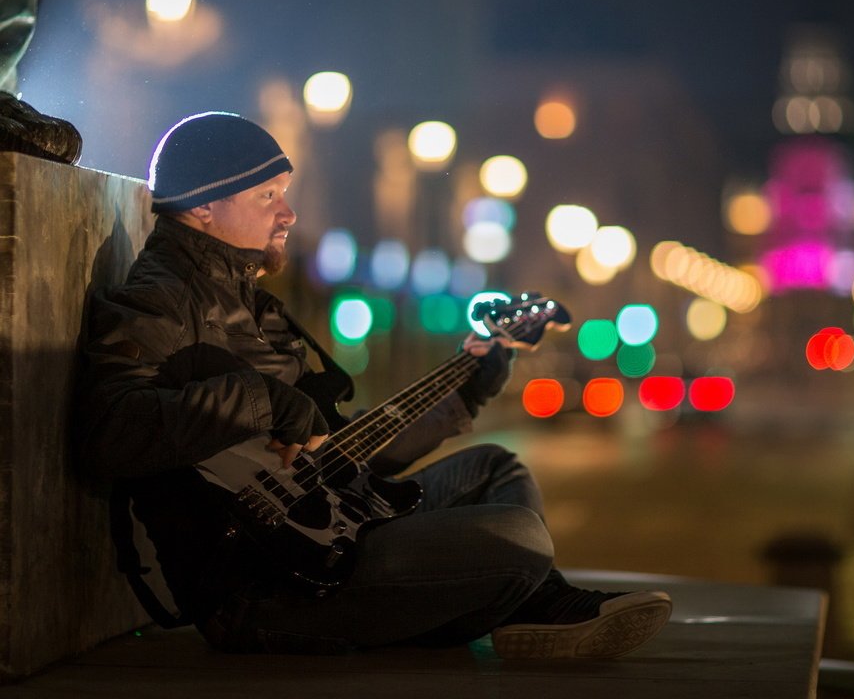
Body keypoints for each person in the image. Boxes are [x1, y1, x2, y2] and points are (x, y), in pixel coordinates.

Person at [75, 111, 672, 658]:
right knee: (515, 535)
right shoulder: (159, 298)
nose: (288, 214)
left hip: (328, 538)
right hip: (265, 587)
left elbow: (340, 457)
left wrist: (470, 386)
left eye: (284, 194)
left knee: (494, 470)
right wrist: (265, 401)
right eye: (267, 196)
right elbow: (111, 432)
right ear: (202, 207)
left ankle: (534, 606)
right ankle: (538, 606)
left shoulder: (254, 305)